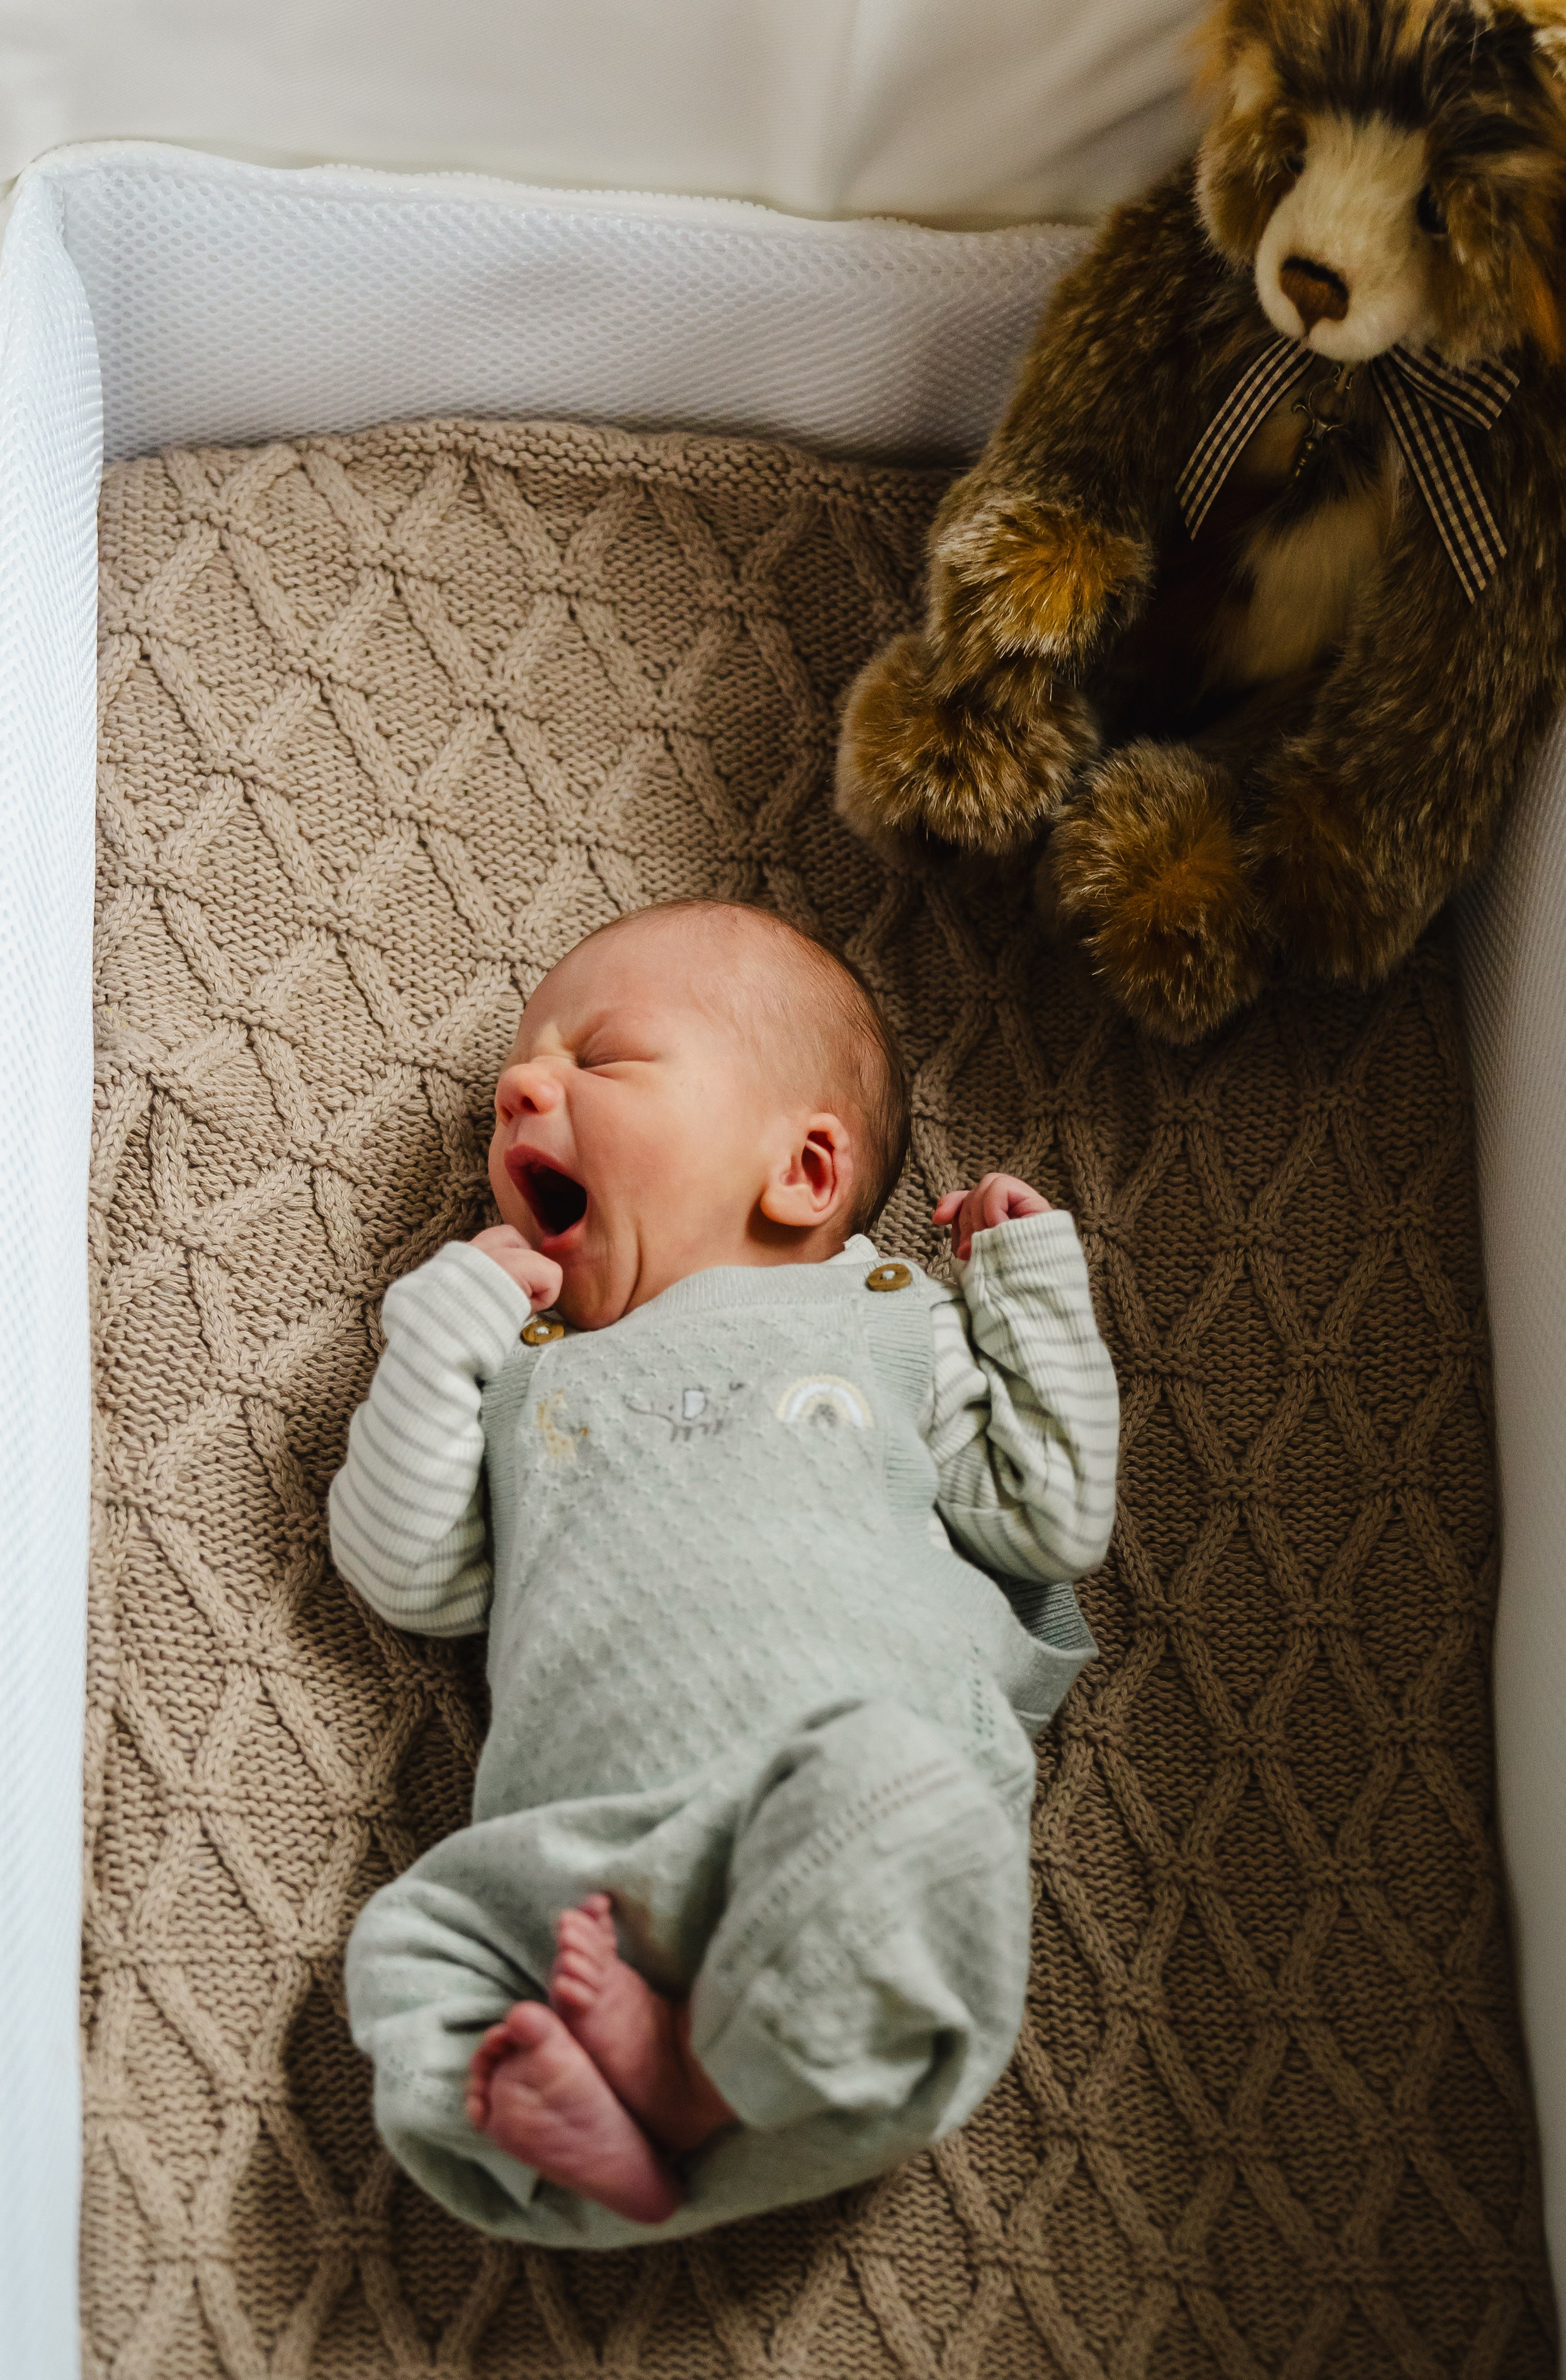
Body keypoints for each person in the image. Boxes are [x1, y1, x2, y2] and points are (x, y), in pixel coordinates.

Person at [332, 896, 1118, 2245]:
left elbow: (1049, 1517)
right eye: (523, 1079)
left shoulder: (884, 1316)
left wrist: (1024, 1285)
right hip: (582, 1854)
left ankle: (694, 2077)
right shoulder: (524, 1368)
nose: (520, 1090)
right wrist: (444, 1325)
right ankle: (599, 2124)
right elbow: (410, 1573)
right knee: (407, 1955)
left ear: (804, 1172)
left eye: (605, 1061)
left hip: (841, 1800)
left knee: (911, 1808)